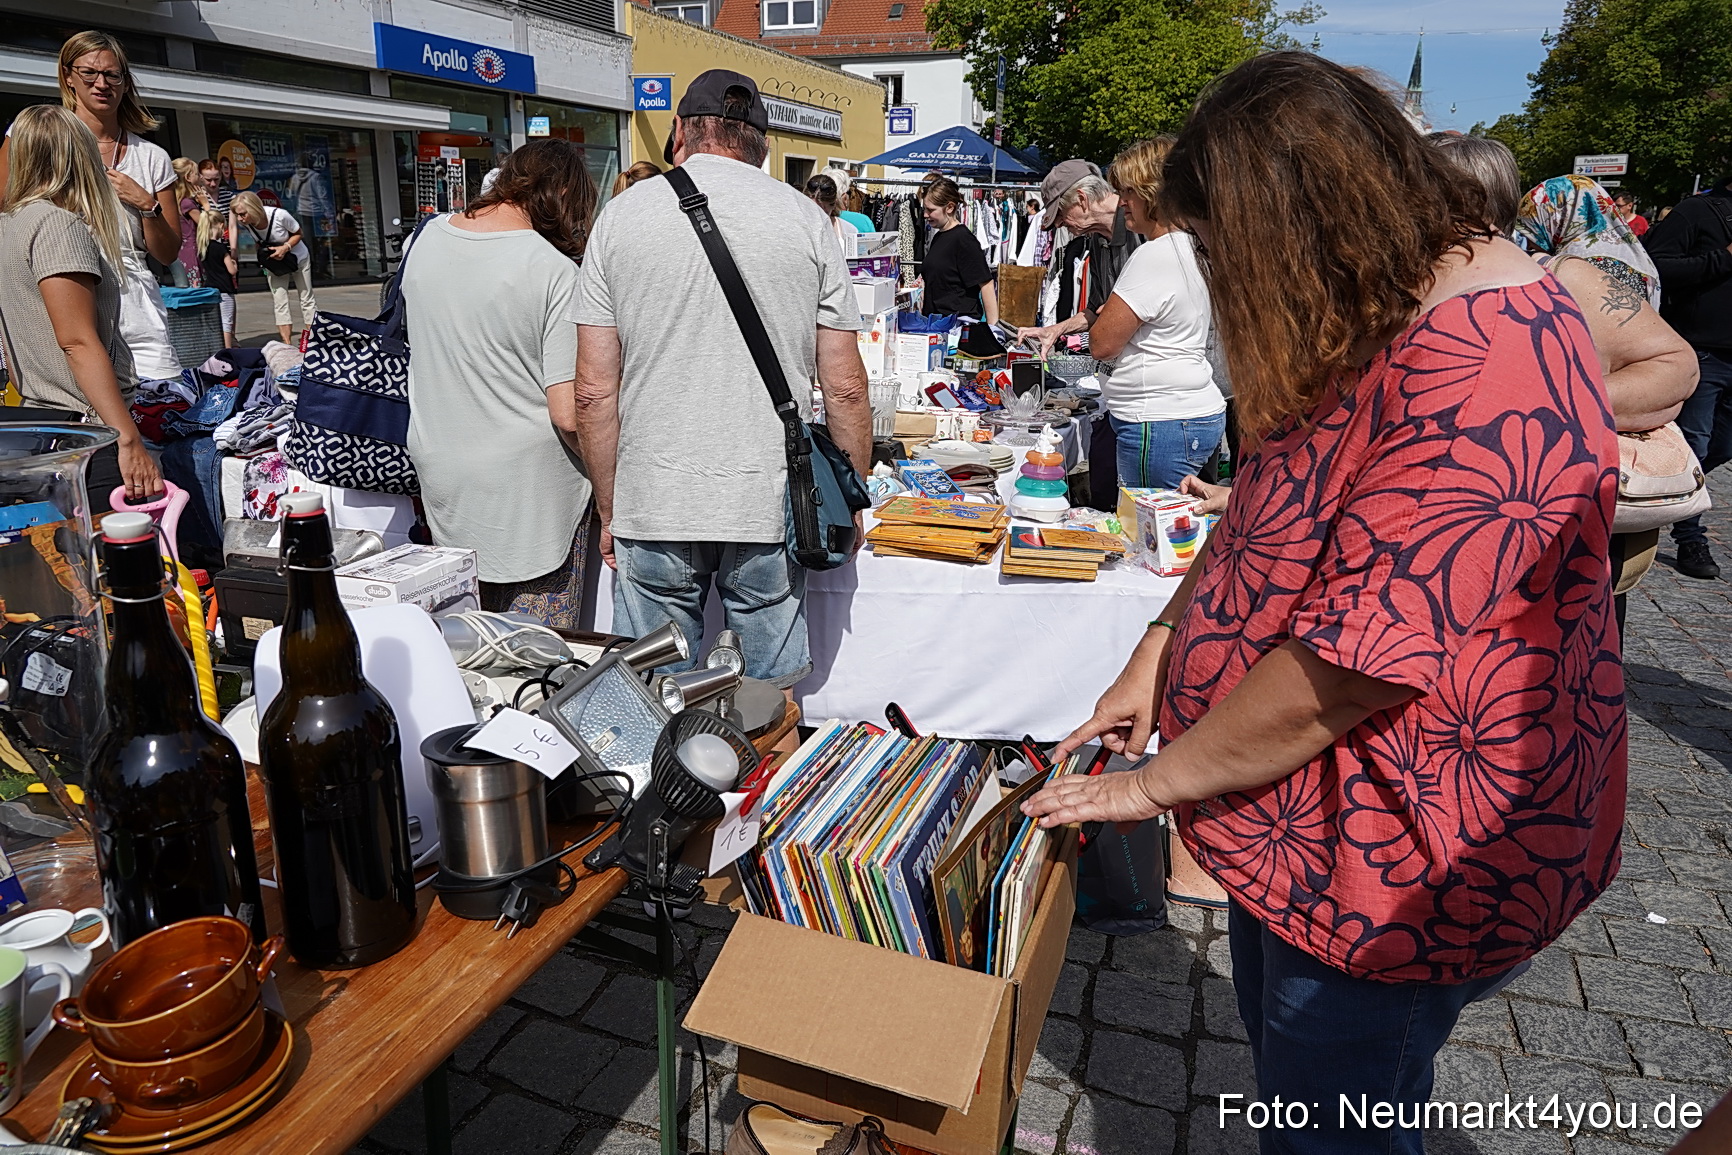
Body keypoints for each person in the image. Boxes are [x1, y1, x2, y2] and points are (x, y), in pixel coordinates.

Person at [1024, 52, 1623, 1155]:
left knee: (1333, 1125)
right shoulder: (1383, 301)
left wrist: (1148, 788)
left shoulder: (1481, 357)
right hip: (1301, 820)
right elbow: (1271, 505)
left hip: (1394, 846)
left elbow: (1351, 665)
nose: (1216, 272)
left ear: (1298, 215)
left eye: (1218, 247)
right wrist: (1156, 651)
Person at [573, 69, 872, 686]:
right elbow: (844, 386)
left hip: (653, 499)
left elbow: (593, 392)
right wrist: (851, 493)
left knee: (655, 699)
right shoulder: (808, 220)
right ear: (760, 143)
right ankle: (771, 783)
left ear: (680, 130)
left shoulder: (620, 220)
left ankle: (669, 787)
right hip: (767, 501)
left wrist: (610, 504)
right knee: (768, 699)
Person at [403, 140, 597, 630]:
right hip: (531, 494)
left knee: (464, 637)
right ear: (565, 197)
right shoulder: (552, 271)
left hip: (444, 467)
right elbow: (568, 413)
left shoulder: (424, 241)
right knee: (537, 657)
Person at [1513, 174, 1698, 618]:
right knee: (1608, 582)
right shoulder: (1637, 259)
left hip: (1582, 445)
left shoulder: (1573, 268)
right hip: (1623, 433)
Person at [0, 105, 163, 510]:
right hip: (86, 431)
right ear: (80, 155)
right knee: (116, 566)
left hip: (43, 427)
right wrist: (127, 439)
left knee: (69, 567)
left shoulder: (10, 224)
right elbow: (77, 342)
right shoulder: (57, 223)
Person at [1, 30, 182, 384]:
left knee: (159, 412)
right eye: (89, 73)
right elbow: (6, 209)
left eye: (112, 74)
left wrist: (147, 205)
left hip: (135, 307)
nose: (102, 83)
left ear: (125, 83)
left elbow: (168, 253)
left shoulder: (151, 158)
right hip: (57, 298)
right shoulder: (34, 138)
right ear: (68, 76)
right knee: (76, 423)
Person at [1084, 136, 1224, 488]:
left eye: (1129, 192)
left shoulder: (1154, 255)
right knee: (1179, 528)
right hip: (1186, 412)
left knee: (1150, 534)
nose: (1122, 203)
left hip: (1159, 420)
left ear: (1154, 194)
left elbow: (1101, 343)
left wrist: (1107, 317)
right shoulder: (1195, 247)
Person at [1642, 173, 1732, 580]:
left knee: (1722, 444)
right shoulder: (1698, 210)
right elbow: (1657, 265)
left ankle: (1670, 493)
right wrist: (1724, 257)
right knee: (1694, 440)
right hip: (1701, 351)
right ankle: (1690, 535)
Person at [1015, 159, 1142, 355]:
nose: (1058, 225)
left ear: (1081, 199)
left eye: (1060, 214)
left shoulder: (1142, 227)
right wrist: (1053, 330)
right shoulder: (1097, 241)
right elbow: (1094, 310)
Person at [232, 191, 316, 344]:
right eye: (238, 215)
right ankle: (286, 343)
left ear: (253, 209)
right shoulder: (249, 223)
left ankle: (311, 340)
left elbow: (298, 233)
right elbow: (260, 241)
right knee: (280, 300)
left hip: (298, 257)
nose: (240, 219)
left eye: (243, 214)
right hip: (275, 262)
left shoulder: (279, 215)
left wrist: (285, 247)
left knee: (306, 298)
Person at [919, 177, 999, 324]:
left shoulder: (964, 239)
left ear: (949, 207)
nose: (925, 215)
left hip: (958, 326)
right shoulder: (939, 237)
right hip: (937, 325)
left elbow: (986, 284)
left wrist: (992, 330)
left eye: (930, 210)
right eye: (925, 209)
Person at [197, 205, 239, 348]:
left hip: (210, 289)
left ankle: (215, 349)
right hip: (225, 290)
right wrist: (234, 264)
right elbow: (231, 270)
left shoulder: (202, 247)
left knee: (214, 322)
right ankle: (228, 351)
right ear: (221, 225)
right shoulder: (221, 248)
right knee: (226, 323)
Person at [805, 173, 860, 260]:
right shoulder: (797, 228)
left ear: (834, 205)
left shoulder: (849, 230)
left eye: (825, 211)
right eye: (813, 209)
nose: (819, 215)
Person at [170, 156, 206, 287]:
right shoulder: (186, 203)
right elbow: (206, 224)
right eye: (197, 174)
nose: (200, 177)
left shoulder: (176, 201)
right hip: (192, 252)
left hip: (183, 251)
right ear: (188, 178)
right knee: (196, 288)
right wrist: (206, 205)